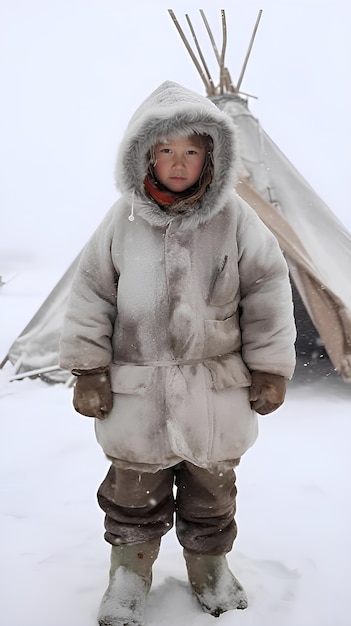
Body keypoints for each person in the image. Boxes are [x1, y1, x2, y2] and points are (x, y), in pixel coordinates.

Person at [59, 80, 296, 626]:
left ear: (211, 152)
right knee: (131, 494)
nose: (179, 162)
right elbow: (92, 293)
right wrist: (89, 369)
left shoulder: (236, 219)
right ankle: (128, 573)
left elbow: (267, 290)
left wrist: (270, 369)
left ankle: (210, 567)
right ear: (145, 153)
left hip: (215, 391)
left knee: (212, 493)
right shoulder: (123, 221)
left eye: (191, 150)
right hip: (137, 391)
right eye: (165, 149)